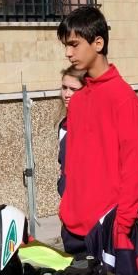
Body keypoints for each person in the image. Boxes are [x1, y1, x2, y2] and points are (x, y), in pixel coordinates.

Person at [56, 6, 138, 275]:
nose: (68, 53)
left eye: (74, 44)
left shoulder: (124, 99)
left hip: (106, 234)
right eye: (66, 46)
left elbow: (134, 170)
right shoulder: (76, 101)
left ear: (98, 43)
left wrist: (121, 230)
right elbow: (71, 166)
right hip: (72, 232)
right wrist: (66, 208)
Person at [56, 66, 86, 197]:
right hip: (69, 202)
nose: (67, 94)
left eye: (73, 89)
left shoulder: (93, 126)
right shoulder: (63, 125)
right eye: (64, 88)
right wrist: (61, 185)